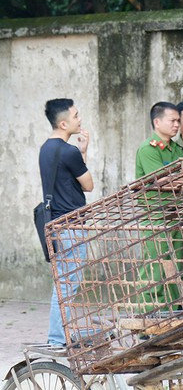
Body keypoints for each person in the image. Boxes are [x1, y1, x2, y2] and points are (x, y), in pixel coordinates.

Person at [40, 99, 94, 348]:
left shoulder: (46, 149)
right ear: (63, 123)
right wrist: (82, 152)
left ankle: (60, 335)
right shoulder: (68, 151)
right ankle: (56, 339)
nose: (79, 119)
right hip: (72, 224)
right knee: (66, 286)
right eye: (75, 115)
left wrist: (81, 151)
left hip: (55, 224)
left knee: (64, 285)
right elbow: (88, 185)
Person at [135, 102, 183, 310]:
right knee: (155, 268)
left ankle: (173, 312)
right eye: (172, 121)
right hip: (155, 215)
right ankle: (147, 317)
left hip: (175, 215)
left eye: (177, 121)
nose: (176, 125)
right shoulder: (149, 149)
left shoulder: (175, 148)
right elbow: (165, 181)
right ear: (157, 122)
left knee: (175, 268)